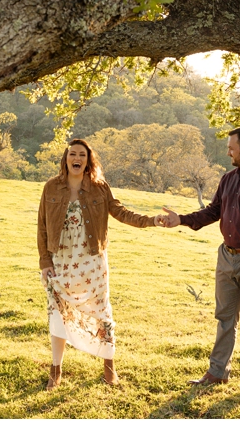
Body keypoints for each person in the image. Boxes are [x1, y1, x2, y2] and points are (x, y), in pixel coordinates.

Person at [156, 126, 240, 397]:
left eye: (231, 148)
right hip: (226, 257)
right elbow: (214, 211)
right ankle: (217, 372)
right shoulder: (228, 179)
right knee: (225, 318)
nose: (228, 151)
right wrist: (181, 219)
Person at [37, 138, 159, 391]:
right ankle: (56, 370)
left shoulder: (99, 188)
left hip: (92, 260)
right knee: (58, 314)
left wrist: (151, 220)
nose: (76, 158)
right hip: (61, 260)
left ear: (88, 160)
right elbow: (42, 227)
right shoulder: (51, 187)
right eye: (72, 154)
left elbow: (122, 213)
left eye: (81, 154)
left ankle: (109, 367)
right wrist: (44, 262)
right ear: (66, 158)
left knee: (101, 310)